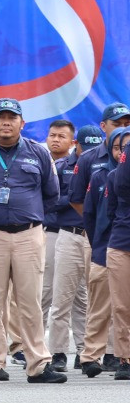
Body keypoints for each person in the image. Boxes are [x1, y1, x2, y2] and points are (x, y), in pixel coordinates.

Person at [0, 98, 66, 383]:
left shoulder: (39, 154)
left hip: (28, 234)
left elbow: (51, 194)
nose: (6, 122)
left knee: (30, 301)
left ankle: (38, 364)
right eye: (0, 117)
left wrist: (27, 216)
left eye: (12, 117)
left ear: (22, 122)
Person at [80, 128, 127, 377]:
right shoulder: (100, 176)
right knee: (99, 307)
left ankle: (120, 356)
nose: (123, 152)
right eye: (120, 147)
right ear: (111, 149)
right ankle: (90, 356)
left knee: (124, 307)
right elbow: (89, 213)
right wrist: (98, 242)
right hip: (104, 249)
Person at [45, 118, 91, 371]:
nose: (56, 139)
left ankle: (85, 351)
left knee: (83, 299)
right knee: (58, 296)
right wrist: (75, 199)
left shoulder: (99, 166)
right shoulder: (62, 166)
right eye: (53, 135)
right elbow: (52, 199)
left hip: (91, 235)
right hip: (64, 233)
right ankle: (58, 352)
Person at [104, 128, 130, 379]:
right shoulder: (115, 174)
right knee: (122, 305)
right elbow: (109, 212)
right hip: (122, 243)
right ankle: (126, 359)